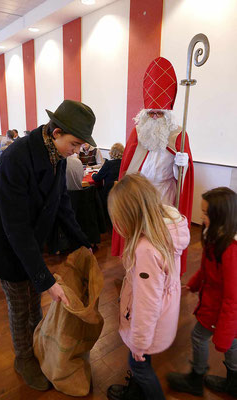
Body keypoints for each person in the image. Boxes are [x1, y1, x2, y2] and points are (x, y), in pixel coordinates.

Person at [0, 100, 97, 391]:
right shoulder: (17, 157)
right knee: (21, 306)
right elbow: (14, 227)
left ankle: (38, 343)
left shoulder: (56, 154)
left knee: (35, 303)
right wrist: (45, 279)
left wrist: (83, 241)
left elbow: (61, 204)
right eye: (75, 143)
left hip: (28, 244)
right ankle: (24, 358)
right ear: (56, 132)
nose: (78, 151)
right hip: (7, 247)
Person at [107, 173, 190, 400]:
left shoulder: (145, 250)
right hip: (162, 315)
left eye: (117, 219)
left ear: (130, 217)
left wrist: (139, 342)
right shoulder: (167, 230)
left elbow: (147, 303)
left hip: (148, 324)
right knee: (140, 363)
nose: (115, 225)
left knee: (139, 365)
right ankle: (136, 391)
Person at [112, 57, 194, 275]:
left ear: (167, 114)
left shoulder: (178, 135)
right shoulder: (138, 132)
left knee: (161, 240)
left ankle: (162, 273)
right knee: (138, 240)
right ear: (145, 112)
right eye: (152, 112)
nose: (155, 116)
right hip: (140, 196)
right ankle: (135, 274)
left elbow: (183, 181)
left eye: (160, 113)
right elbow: (128, 167)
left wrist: (181, 166)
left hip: (164, 197)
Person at [167, 187, 237, 398]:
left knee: (204, 337)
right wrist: (195, 283)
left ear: (221, 216)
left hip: (221, 310)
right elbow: (207, 268)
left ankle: (196, 379)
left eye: (206, 213)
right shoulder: (214, 236)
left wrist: (223, 333)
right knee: (232, 343)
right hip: (213, 304)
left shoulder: (230, 249)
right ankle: (233, 381)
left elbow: (233, 298)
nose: (201, 216)